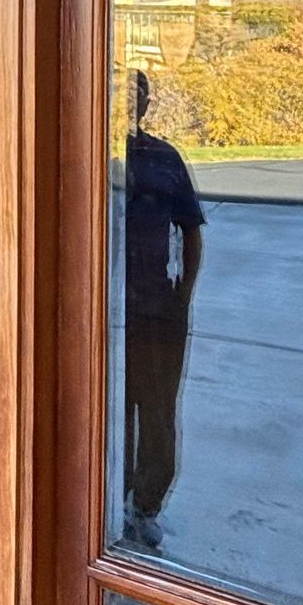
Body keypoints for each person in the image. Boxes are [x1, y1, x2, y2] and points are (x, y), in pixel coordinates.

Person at [122, 68, 204, 550]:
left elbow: (191, 231)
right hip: (107, 313)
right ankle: (111, 500)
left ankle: (145, 507)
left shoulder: (164, 158)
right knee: (111, 411)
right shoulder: (92, 157)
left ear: (147, 105)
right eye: (119, 95)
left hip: (156, 310)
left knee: (156, 413)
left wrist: (183, 298)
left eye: (136, 95)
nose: (128, 103)